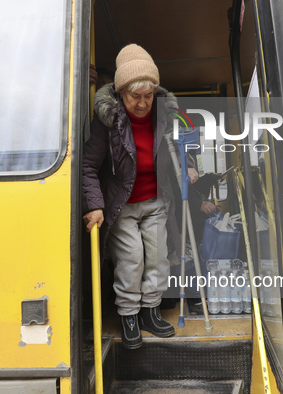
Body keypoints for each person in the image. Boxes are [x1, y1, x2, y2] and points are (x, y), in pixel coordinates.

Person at [82, 44, 197, 349]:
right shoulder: (107, 123)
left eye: (148, 96)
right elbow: (88, 167)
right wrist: (94, 205)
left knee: (159, 257)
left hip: (156, 201)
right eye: (136, 97)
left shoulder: (165, 114)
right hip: (121, 205)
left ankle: (150, 311)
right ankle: (129, 314)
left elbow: (186, 142)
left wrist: (191, 165)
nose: (143, 103)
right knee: (132, 260)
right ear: (121, 93)